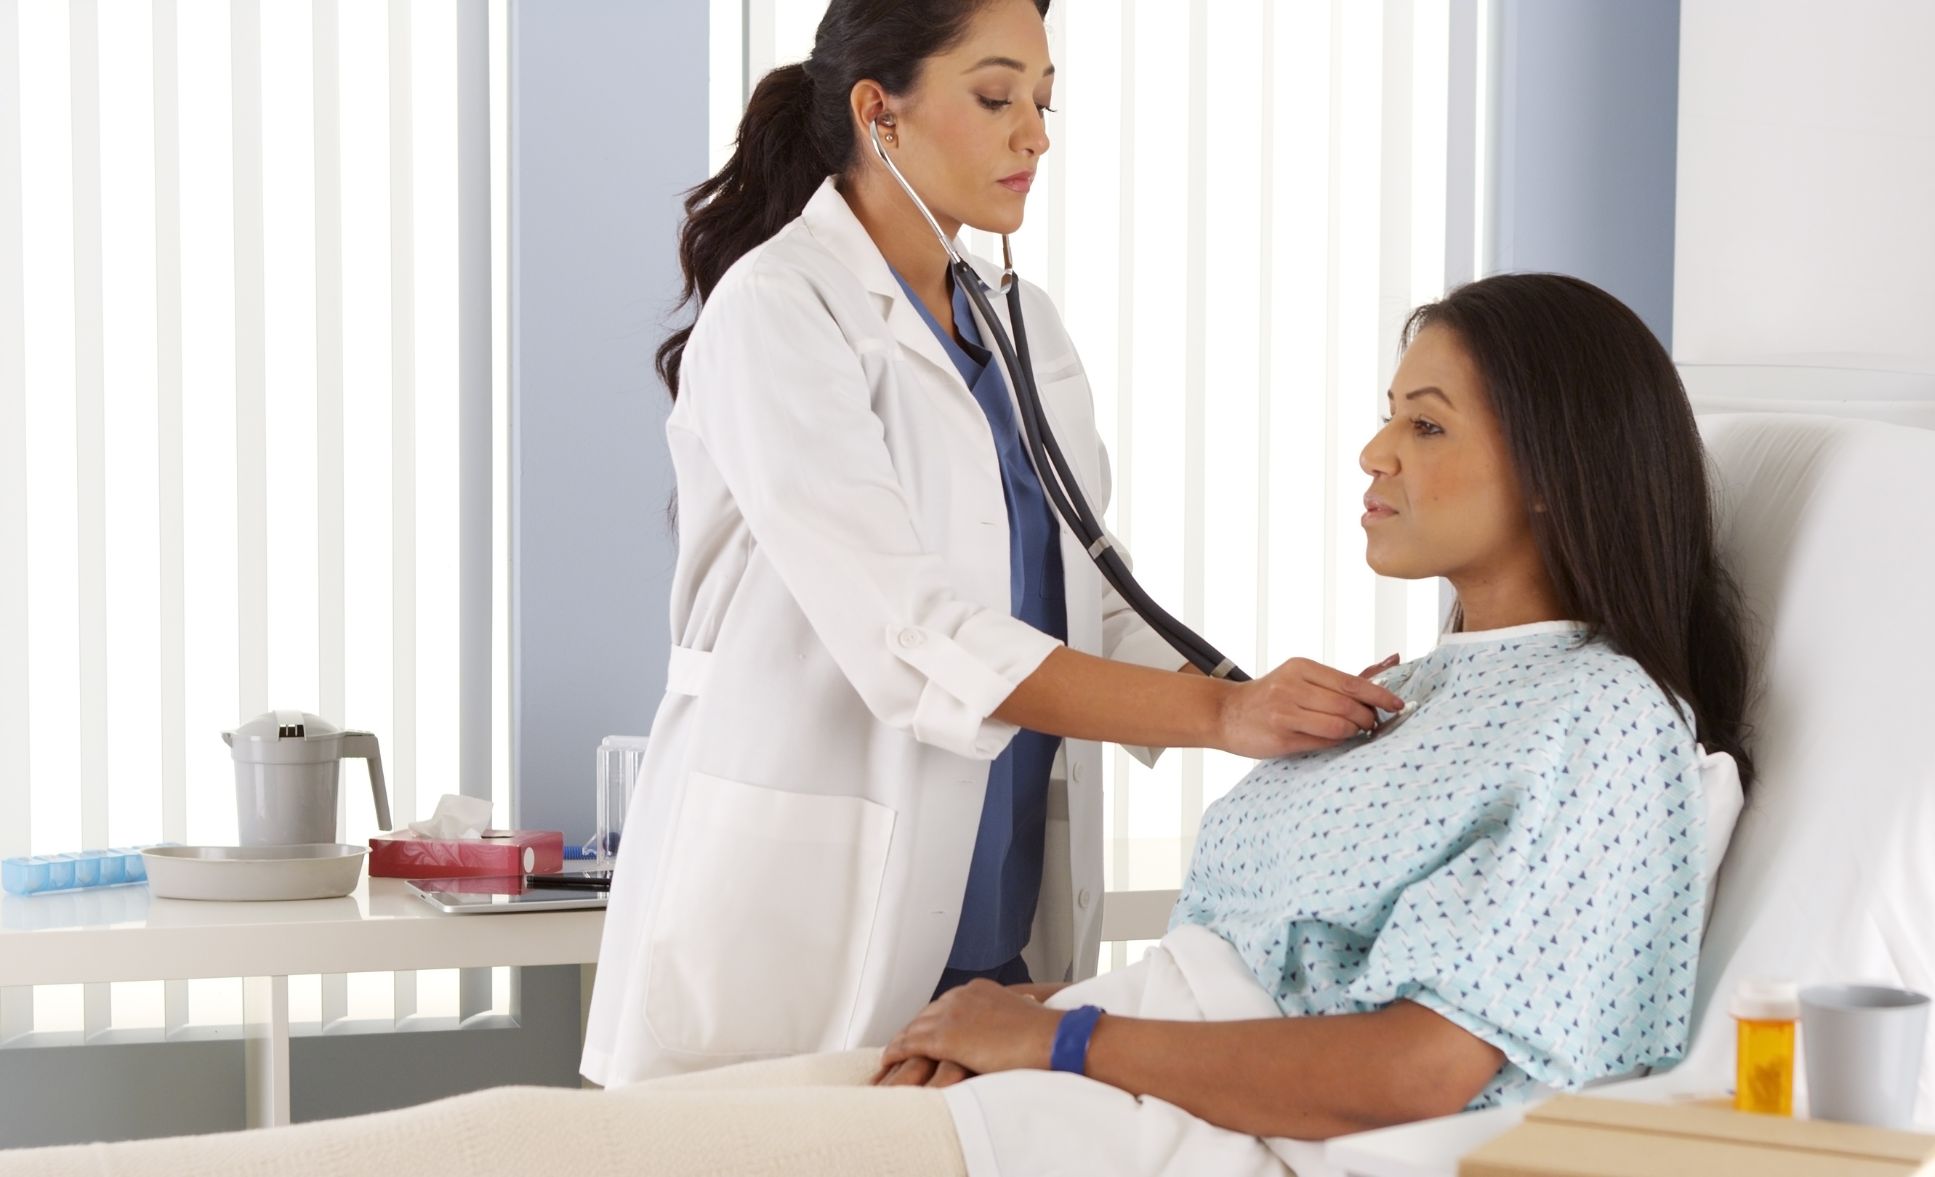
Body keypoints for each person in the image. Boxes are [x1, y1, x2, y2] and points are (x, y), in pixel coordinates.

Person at [8, 273, 1758, 1177]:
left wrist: (1057, 1043)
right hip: (1091, 1078)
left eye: (1429, 422)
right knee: (501, 1131)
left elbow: (1415, 1071)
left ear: (1562, 456)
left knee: (509, 1150)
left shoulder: (1602, 723)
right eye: (1386, 411)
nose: (1375, 450)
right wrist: (1040, 1028)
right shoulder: (1414, 694)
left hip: (1132, 1118)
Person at [581, 0, 1402, 1089]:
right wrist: (1220, 716)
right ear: (881, 113)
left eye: (1045, 99)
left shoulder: (1024, 323)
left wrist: (1278, 710)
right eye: (995, 94)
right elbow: (910, 632)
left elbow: (1092, 600)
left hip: (994, 944)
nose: (1036, 133)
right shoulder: (779, 310)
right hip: (806, 934)